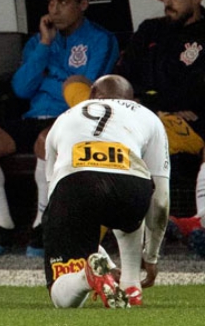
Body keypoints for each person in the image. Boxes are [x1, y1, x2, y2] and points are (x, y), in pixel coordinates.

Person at [0, 0, 119, 257]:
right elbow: (21, 88)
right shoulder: (40, 40)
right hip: (33, 116)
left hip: (73, 119)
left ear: (83, 4)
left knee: (46, 141)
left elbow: (85, 90)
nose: (55, 10)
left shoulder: (101, 39)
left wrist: (53, 79)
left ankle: (42, 227)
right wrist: (43, 45)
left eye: (63, 2)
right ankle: (1, 227)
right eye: (51, 3)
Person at [43, 75, 169, 308]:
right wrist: (151, 257)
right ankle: (132, 285)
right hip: (131, 189)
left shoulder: (64, 118)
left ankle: (87, 277)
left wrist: (95, 257)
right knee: (132, 191)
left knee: (63, 298)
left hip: (74, 183)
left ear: (91, 94)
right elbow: (160, 201)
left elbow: (54, 194)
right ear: (133, 100)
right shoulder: (147, 116)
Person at [114, 0, 205, 255]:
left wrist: (166, 104)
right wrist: (154, 106)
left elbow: (192, 90)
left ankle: (195, 225)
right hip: (145, 118)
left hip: (194, 124)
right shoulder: (150, 30)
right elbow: (124, 79)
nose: (167, 1)